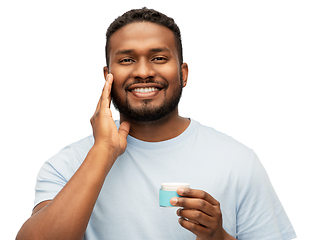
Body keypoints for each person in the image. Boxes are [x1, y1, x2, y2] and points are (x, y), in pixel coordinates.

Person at [16, 7, 296, 240]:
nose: (143, 71)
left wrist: (220, 238)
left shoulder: (238, 161)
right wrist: (103, 150)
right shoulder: (66, 165)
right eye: (126, 60)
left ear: (183, 73)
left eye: (159, 58)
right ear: (108, 76)